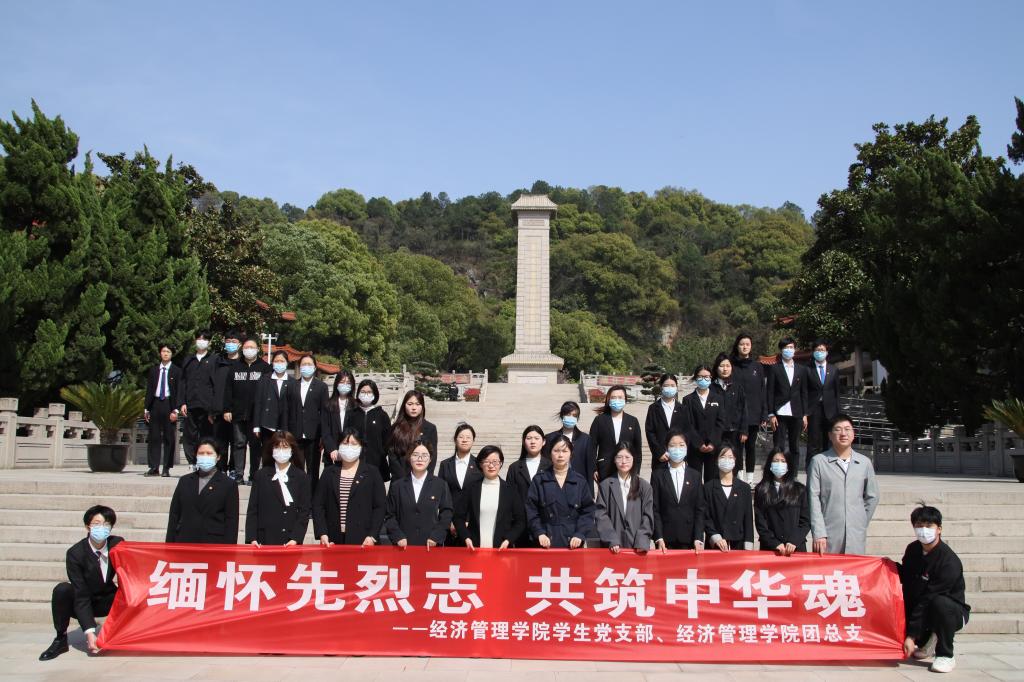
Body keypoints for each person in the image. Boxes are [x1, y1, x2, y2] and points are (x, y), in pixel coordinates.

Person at [39, 505, 122, 660]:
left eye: (106, 524)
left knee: (132, 591)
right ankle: (60, 639)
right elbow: (81, 593)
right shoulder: (75, 553)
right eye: (97, 524)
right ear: (87, 526)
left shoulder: (117, 544)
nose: (102, 528)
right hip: (82, 601)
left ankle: (123, 635)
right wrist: (90, 633)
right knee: (62, 590)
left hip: (108, 599)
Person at [899, 505, 971, 674]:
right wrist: (886, 567)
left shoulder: (948, 561)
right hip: (923, 605)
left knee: (939, 603)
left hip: (951, 612)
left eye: (929, 525)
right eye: (919, 525)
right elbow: (906, 577)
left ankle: (946, 655)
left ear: (939, 529)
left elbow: (929, 597)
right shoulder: (913, 549)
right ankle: (927, 641)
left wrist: (911, 636)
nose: (923, 530)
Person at [808, 414, 880, 555]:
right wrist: (819, 532)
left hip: (855, 533)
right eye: (838, 429)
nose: (843, 433)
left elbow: (872, 496)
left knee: (854, 568)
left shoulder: (864, 463)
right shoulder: (819, 462)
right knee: (828, 568)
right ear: (830, 435)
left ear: (853, 434)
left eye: (847, 429)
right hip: (828, 533)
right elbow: (813, 498)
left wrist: (860, 521)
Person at [312, 428, 386, 546]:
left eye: (354, 444)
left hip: (364, 539)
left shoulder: (372, 473)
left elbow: (380, 506)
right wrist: (322, 532)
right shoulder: (328, 473)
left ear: (361, 447)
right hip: (333, 539)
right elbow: (318, 504)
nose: (349, 447)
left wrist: (372, 535)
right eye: (345, 443)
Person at [526, 434, 596, 549]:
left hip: (573, 543)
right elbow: (531, 510)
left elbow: (588, 510)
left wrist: (580, 534)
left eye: (565, 451)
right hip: (545, 542)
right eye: (556, 451)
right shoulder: (539, 480)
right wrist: (539, 532)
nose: (560, 455)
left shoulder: (579, 481)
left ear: (571, 454)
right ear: (550, 453)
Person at [166, 437, 239, 543]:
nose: (205, 456)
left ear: (218, 457)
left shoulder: (228, 484)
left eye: (209, 453)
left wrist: (228, 549)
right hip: (185, 541)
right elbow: (174, 515)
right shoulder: (184, 481)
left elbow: (231, 521)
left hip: (213, 543)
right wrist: (169, 545)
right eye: (201, 453)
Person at [244, 432, 311, 546]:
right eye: (277, 447)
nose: (281, 451)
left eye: (285, 447)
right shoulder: (261, 475)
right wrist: (252, 538)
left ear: (292, 450)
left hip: (289, 540)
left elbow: (304, 511)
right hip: (264, 539)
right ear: (272, 449)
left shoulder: (301, 477)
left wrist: (295, 538)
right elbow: (253, 509)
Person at [453, 445, 525, 550]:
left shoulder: (510, 490)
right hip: (474, 548)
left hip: (501, 548)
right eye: (486, 461)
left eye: (495, 462)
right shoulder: (471, 488)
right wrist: (466, 537)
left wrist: (508, 539)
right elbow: (458, 517)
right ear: (481, 464)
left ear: (501, 463)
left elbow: (521, 520)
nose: (491, 466)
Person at [383, 440, 452, 548]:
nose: (420, 459)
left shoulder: (440, 485)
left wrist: (436, 536)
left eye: (424, 455)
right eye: (415, 455)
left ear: (430, 459)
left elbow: (447, 513)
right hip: (403, 546)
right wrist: (397, 536)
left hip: (431, 545)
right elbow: (389, 514)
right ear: (409, 457)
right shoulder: (397, 486)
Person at [222, 335, 270, 484]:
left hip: (256, 415)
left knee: (255, 445)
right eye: (246, 347)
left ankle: (253, 475)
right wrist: (227, 409)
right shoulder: (235, 367)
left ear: (257, 349)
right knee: (238, 443)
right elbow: (228, 389)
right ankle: (238, 474)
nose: (249, 350)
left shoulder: (264, 368)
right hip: (238, 413)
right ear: (242, 349)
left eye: (252, 347)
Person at [651, 429, 705, 552]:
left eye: (681, 445)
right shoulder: (657, 475)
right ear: (666, 448)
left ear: (687, 448)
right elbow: (655, 508)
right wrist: (658, 537)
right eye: (672, 445)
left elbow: (700, 509)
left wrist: (698, 538)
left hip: (689, 540)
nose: (677, 449)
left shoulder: (695, 476)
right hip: (665, 541)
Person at [595, 445, 654, 553]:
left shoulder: (644, 486)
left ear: (633, 459)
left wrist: (641, 541)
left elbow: (648, 516)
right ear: (614, 459)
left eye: (627, 457)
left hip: (637, 548)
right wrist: (611, 539)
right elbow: (601, 515)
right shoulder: (605, 486)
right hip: (613, 548)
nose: (623, 461)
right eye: (619, 457)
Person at [754, 448, 810, 554]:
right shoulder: (761, 489)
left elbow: (805, 521)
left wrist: (794, 541)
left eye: (783, 461)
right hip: (770, 549)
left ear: (789, 465)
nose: (779, 464)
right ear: (770, 464)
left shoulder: (800, 489)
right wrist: (774, 543)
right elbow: (760, 521)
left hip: (795, 548)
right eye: (776, 461)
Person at [249, 350, 293, 483]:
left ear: (287, 363)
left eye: (282, 361)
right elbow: (258, 402)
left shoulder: (292, 382)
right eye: (276, 361)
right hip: (267, 423)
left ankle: (283, 478)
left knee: (284, 453)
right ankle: (267, 479)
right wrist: (256, 425)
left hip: (285, 424)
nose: (279, 363)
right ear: (272, 363)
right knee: (267, 454)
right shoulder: (265, 379)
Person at [287, 354, 328, 493]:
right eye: (304, 364)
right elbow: (287, 409)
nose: (306, 367)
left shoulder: (321, 387)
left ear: (315, 367)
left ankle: (312, 499)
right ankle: (297, 496)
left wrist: (323, 436)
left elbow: (324, 413)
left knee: (313, 469)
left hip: (314, 434)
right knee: (296, 467)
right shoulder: (292, 385)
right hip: (296, 433)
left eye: (309, 364)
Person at [180, 331, 220, 470]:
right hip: (190, 403)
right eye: (199, 338)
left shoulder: (214, 359)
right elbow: (183, 382)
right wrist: (182, 402)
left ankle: (205, 461)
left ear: (209, 342)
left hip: (207, 405)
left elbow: (216, 384)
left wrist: (214, 407)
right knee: (189, 435)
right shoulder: (188, 360)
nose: (201, 341)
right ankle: (192, 462)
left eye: (205, 339)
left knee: (207, 435)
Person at [766, 337, 809, 467]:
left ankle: (793, 474)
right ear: (781, 350)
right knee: (778, 446)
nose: (789, 350)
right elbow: (770, 392)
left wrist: (805, 414)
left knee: (794, 446)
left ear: (794, 350)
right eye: (786, 348)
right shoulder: (774, 368)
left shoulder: (801, 369)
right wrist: (771, 413)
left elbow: (804, 392)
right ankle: (777, 471)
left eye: (791, 347)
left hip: (796, 412)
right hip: (779, 412)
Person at [730, 333, 767, 483]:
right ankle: (739, 477)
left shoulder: (757, 367)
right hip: (735, 414)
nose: (744, 347)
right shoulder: (731, 366)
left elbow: (762, 391)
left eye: (747, 344)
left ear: (751, 347)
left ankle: (750, 478)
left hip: (753, 413)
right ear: (737, 346)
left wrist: (764, 414)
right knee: (737, 447)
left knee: (751, 447)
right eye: (742, 344)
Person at [507, 425, 552, 547]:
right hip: (521, 525)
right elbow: (509, 498)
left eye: (536, 438)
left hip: (546, 525)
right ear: (523, 441)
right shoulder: (514, 468)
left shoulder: (550, 467)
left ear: (543, 442)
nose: (533, 442)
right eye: (529, 438)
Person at [702, 446, 753, 551]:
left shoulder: (744, 488)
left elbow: (748, 520)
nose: (726, 460)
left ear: (735, 460)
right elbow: (705, 517)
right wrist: (715, 537)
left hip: (738, 544)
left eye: (730, 457)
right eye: (723, 457)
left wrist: (748, 547)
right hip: (716, 545)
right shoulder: (708, 487)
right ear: (716, 460)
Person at [438, 423, 482, 542]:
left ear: (473, 441)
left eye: (468, 437)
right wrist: (448, 521)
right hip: (449, 523)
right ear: (455, 439)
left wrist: (468, 520)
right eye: (461, 437)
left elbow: (479, 495)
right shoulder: (445, 465)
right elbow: (442, 495)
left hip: (472, 523)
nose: (464, 440)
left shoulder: (479, 465)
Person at [590, 384, 643, 480]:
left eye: (620, 397)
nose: (617, 400)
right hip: (604, 468)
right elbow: (592, 446)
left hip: (626, 467)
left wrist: (637, 470)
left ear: (625, 400)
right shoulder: (599, 420)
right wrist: (593, 468)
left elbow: (637, 449)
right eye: (613, 397)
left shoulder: (633, 421)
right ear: (608, 400)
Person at [143, 343, 181, 477]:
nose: (165, 354)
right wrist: (146, 408)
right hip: (155, 404)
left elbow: (179, 391)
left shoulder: (177, 371)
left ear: (172, 354)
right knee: (154, 437)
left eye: (168, 352)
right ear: (160, 353)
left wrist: (176, 410)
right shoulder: (154, 370)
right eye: (163, 351)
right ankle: (154, 467)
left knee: (169, 437)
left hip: (169, 405)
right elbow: (149, 390)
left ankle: (166, 468)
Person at [343, 378, 392, 482]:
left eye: (369, 392)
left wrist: (381, 453)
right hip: (355, 461)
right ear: (358, 393)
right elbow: (345, 436)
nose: (366, 394)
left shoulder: (382, 415)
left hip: (377, 463)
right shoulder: (352, 414)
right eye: (363, 391)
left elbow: (388, 440)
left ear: (375, 394)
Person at [681, 365, 724, 482]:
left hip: (713, 447)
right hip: (695, 448)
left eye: (706, 377)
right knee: (694, 480)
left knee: (712, 480)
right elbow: (687, 424)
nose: (703, 379)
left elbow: (720, 422)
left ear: (711, 378)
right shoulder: (688, 400)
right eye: (700, 377)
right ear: (695, 378)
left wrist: (712, 442)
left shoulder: (718, 398)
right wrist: (699, 443)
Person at [644, 373, 693, 473]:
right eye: (666, 385)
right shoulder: (653, 408)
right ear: (661, 387)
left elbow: (687, 431)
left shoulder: (683, 409)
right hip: (660, 457)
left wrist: (681, 451)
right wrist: (659, 452)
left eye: (672, 385)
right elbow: (650, 432)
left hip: (678, 455)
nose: (669, 388)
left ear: (676, 387)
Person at [711, 353, 748, 480]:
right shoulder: (711, 388)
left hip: (734, 431)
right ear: (716, 368)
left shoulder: (737, 387)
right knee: (716, 459)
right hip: (717, 432)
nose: (725, 369)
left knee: (734, 459)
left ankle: (734, 483)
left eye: (728, 366)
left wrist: (744, 430)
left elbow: (743, 409)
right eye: (722, 366)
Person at [386, 390, 438, 479]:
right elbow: (392, 457)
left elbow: (432, 456)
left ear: (422, 406)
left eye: (417, 404)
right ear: (404, 406)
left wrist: (425, 479)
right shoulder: (395, 428)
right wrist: (403, 480)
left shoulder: (430, 428)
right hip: (400, 480)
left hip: (421, 480)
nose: (414, 408)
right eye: (410, 404)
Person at [211, 331, 242, 472]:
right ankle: (221, 469)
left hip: (237, 411)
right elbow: (212, 386)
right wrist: (211, 410)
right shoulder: (218, 363)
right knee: (220, 443)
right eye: (228, 341)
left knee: (237, 443)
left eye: (234, 341)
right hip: (219, 410)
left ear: (240, 344)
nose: (230, 344)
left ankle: (234, 470)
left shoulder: (243, 364)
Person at [806, 339, 841, 459]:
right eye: (817, 350)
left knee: (830, 441)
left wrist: (838, 414)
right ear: (813, 352)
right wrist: (805, 412)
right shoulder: (807, 369)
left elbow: (837, 393)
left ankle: (829, 466)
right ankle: (811, 466)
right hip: (813, 410)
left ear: (827, 352)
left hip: (830, 411)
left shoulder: (834, 370)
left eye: (822, 350)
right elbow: (804, 392)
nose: (820, 352)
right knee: (813, 442)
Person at [544, 401, 593, 481]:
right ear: (562, 416)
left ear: (577, 418)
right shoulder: (550, 438)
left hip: (579, 483)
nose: (571, 417)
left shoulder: (586, 439)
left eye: (574, 415)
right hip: (554, 481)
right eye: (568, 414)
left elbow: (589, 469)